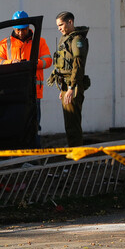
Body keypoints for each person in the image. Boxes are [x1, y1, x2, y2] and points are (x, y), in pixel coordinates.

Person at [0, 10, 52, 146]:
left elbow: (48, 61)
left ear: (29, 27)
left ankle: (33, 157)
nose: (21, 32)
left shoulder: (39, 41)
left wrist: (32, 64)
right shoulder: (5, 43)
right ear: (14, 28)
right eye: (18, 30)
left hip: (34, 92)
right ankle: (17, 157)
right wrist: (11, 63)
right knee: (15, 124)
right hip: (13, 91)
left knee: (34, 125)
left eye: (24, 29)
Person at [47, 11, 90, 147]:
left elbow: (78, 66)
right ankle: (73, 148)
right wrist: (64, 89)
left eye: (61, 25)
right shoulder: (66, 39)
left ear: (70, 22)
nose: (59, 28)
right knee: (69, 121)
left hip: (73, 86)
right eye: (58, 26)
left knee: (73, 123)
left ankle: (76, 153)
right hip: (67, 86)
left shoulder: (77, 40)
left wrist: (71, 88)